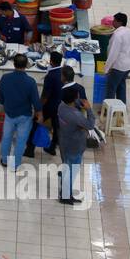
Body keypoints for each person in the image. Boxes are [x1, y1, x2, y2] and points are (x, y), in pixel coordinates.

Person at [0, 53, 40, 170]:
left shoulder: (5, 78)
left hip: (9, 113)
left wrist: (3, 103)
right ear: (26, 65)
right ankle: (15, 165)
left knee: (6, 137)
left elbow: (0, 94)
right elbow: (35, 101)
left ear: (13, 63)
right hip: (24, 116)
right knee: (21, 140)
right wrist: (38, 112)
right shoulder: (30, 82)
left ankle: (5, 160)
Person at [55, 71, 93, 205]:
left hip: (64, 142)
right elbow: (90, 125)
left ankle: (64, 191)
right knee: (72, 172)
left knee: (67, 167)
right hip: (75, 146)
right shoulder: (76, 115)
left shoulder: (61, 107)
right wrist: (88, 110)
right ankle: (65, 196)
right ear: (74, 99)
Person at [103, 11, 130, 104]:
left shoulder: (117, 35)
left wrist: (107, 68)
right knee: (121, 86)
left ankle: (108, 110)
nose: (112, 22)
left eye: (114, 21)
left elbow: (113, 53)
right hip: (128, 65)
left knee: (111, 89)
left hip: (119, 67)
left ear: (119, 22)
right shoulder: (129, 31)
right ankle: (121, 108)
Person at [39, 49, 64, 157]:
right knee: (56, 125)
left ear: (51, 61)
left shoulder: (51, 75)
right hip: (60, 105)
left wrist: (39, 107)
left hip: (50, 105)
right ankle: (53, 147)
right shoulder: (63, 72)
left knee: (35, 122)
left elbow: (45, 95)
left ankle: (29, 146)